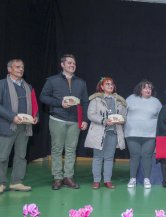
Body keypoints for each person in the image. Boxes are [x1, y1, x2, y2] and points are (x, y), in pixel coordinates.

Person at [40, 54, 88, 190]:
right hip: (57, 118)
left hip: (74, 121)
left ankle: (68, 177)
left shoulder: (81, 82)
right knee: (56, 149)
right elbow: (43, 97)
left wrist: (84, 119)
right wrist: (59, 103)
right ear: (62, 64)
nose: (72, 65)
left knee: (71, 149)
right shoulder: (52, 80)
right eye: (69, 63)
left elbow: (85, 102)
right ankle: (57, 178)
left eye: (74, 63)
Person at [0, 59, 39, 194]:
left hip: (24, 128)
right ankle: (1, 183)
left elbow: (34, 105)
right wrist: (12, 117)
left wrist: (35, 116)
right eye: (17, 67)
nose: (21, 69)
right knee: (2, 157)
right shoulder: (2, 84)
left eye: (22, 67)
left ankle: (16, 182)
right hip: (7, 126)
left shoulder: (28, 86)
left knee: (21, 156)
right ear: (9, 69)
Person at [84, 77, 127, 189]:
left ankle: (107, 180)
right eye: (107, 84)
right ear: (102, 87)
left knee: (109, 158)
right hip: (98, 133)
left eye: (112, 84)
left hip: (113, 132)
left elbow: (124, 116)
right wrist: (103, 120)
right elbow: (90, 114)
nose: (110, 86)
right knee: (98, 157)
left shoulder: (119, 101)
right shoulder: (95, 100)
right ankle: (96, 181)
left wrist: (122, 120)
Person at [125, 80, 161, 189]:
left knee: (147, 156)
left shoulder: (156, 102)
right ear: (140, 89)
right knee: (134, 156)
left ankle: (146, 179)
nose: (148, 90)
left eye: (150, 88)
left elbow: (161, 118)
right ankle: (132, 179)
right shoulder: (130, 99)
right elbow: (122, 114)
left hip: (150, 135)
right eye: (145, 88)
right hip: (132, 133)